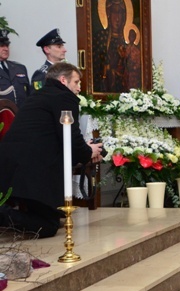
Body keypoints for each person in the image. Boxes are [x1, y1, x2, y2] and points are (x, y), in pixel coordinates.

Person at [0, 63, 104, 238]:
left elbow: (54, 137)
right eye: (76, 82)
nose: (79, 88)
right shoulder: (65, 98)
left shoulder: (38, 95)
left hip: (13, 165)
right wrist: (89, 151)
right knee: (48, 226)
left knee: (50, 217)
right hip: (32, 171)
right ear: (63, 80)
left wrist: (85, 148)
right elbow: (71, 138)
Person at [93, 0, 142, 93]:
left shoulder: (126, 41)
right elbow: (96, 66)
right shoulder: (100, 37)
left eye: (120, 12)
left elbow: (133, 68)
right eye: (114, 12)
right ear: (108, 14)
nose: (118, 18)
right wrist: (108, 68)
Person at [0, 29, 30, 107]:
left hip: (21, 116)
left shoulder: (20, 68)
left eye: (7, 45)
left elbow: (29, 95)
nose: (6, 49)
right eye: (1, 46)